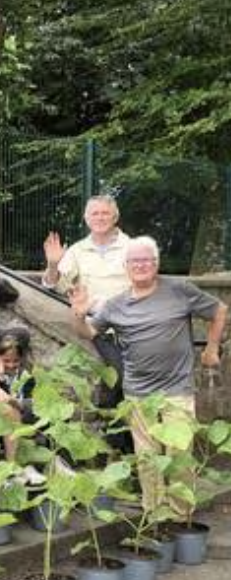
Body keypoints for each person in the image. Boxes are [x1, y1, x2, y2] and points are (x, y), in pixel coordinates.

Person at [70, 235, 227, 516]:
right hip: (138, 392)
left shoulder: (179, 290)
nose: (141, 265)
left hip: (177, 388)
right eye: (135, 261)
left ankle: (180, 517)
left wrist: (212, 349)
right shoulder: (116, 304)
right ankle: (153, 515)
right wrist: (79, 315)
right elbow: (89, 333)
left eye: (146, 260)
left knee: (179, 456)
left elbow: (219, 310)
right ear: (126, 266)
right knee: (147, 459)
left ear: (156, 263)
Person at [44, 194, 132, 449]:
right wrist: (52, 264)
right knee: (122, 379)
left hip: (132, 322)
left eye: (105, 213)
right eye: (94, 214)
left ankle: (121, 443)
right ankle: (121, 445)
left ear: (115, 217)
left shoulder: (132, 247)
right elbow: (54, 285)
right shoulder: (78, 250)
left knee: (123, 384)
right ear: (86, 218)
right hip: (98, 326)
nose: (100, 218)